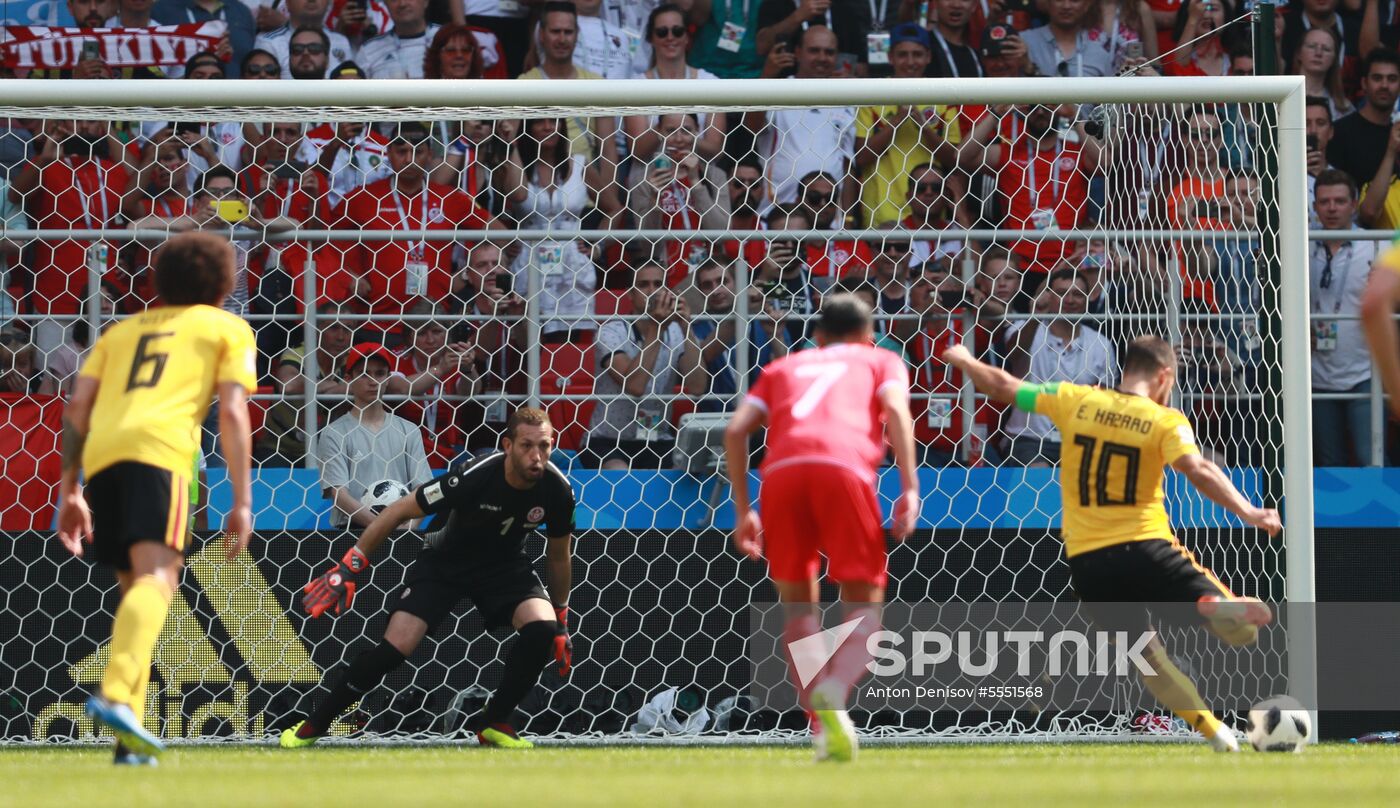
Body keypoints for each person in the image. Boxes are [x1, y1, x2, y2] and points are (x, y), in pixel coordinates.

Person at [941, 335, 1281, 753]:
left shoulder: (1078, 401)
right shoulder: (1164, 419)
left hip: (1089, 562)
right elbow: (1197, 470)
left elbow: (1003, 386)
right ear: (1163, 376)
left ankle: (1214, 731)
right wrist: (1249, 511)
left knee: (1147, 659)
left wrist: (963, 359)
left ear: (1125, 371)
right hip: (1145, 544)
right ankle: (1209, 606)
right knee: (1244, 632)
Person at [55, 232, 256, 764]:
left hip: (102, 457)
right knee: (158, 582)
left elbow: (76, 411)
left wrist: (70, 488)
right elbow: (233, 413)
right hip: (160, 454)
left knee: (135, 597)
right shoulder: (226, 327)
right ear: (226, 283)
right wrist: (241, 500)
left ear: (159, 281)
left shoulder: (121, 332)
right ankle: (116, 695)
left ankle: (130, 739)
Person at [282, 407, 576, 749]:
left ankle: (494, 721)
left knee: (542, 629)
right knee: (395, 649)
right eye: (527, 445)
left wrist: (561, 618)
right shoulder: (472, 477)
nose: (537, 457)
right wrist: (349, 567)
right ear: (507, 445)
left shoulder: (558, 489)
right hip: (444, 563)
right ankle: (316, 723)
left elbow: (558, 555)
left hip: (505, 567)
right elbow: (398, 511)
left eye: (545, 446)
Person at [723, 292, 920, 762]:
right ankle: (835, 688)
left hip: (781, 476)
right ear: (870, 337)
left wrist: (743, 509)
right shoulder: (882, 361)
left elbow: (734, 431)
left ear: (817, 336)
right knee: (864, 608)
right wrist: (909, 487)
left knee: (798, 609)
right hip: (843, 470)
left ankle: (822, 727)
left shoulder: (783, 368)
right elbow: (896, 412)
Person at [582, 263, 705, 469]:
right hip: (609, 440)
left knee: (687, 471)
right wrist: (656, 328)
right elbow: (635, 386)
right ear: (630, 294)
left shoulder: (676, 331)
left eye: (658, 284)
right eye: (643, 285)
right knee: (620, 476)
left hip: (657, 437)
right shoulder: (611, 332)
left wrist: (686, 328)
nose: (652, 291)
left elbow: (697, 387)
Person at [1001, 268, 1117, 465]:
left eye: (1078, 294)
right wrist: (1036, 316)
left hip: (1081, 440)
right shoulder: (1025, 328)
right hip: (1030, 439)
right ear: (1049, 297)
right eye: (1062, 293)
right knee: (1040, 477)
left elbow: (1106, 400)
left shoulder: (1101, 344)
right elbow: (1014, 352)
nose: (1070, 300)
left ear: (1087, 301)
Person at [854, 23, 961, 229]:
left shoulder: (944, 97)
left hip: (931, 212)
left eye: (917, 54)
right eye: (903, 55)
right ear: (890, 57)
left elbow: (954, 161)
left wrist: (924, 128)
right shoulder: (872, 95)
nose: (910, 62)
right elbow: (861, 158)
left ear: (928, 57)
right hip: (882, 214)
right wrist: (897, 121)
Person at [318, 342, 433, 529]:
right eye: (364, 374)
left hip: (403, 530)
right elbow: (339, 495)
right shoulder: (334, 433)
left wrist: (409, 527)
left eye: (380, 374)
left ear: (388, 379)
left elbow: (423, 490)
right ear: (348, 379)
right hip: (352, 532)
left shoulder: (409, 430)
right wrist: (385, 527)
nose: (373, 381)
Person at [1309, 172, 1378, 466]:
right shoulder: (1299, 245)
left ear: (1354, 204)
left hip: (1364, 373)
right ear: (1314, 207)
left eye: (1339, 201)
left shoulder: (1375, 245)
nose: (1332, 208)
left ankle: (1380, 514)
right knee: (1328, 463)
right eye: (1324, 202)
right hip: (1314, 374)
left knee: (1371, 457)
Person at [747, 25, 857, 208]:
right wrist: (766, 76)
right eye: (814, 51)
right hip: (777, 214)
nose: (822, 58)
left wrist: (848, 218)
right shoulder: (777, 90)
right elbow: (752, 126)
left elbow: (848, 165)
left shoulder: (845, 99)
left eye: (829, 52)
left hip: (828, 219)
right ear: (797, 53)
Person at [627, 113, 731, 287]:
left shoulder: (715, 176)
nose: (679, 139)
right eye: (670, 131)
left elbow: (721, 234)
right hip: (666, 278)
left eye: (686, 130)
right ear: (659, 132)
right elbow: (647, 245)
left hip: (709, 279)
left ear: (697, 131)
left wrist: (696, 184)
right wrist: (655, 199)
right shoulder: (644, 179)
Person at [1327, 48, 1400, 190]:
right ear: (1364, 84)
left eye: (1392, 79)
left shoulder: (1397, 133)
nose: (1384, 85)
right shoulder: (1340, 132)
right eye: (1377, 78)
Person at [255, 0, 354, 78]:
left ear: (328, 3)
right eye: (297, 50)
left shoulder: (341, 41)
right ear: (288, 3)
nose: (312, 0)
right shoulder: (268, 43)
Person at [1022, 0, 1115, 78]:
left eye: (1074, 0)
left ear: (1086, 6)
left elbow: (1111, 98)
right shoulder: (1023, 43)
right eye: (1059, 0)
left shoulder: (1099, 55)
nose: (1066, 6)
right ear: (1048, 3)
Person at [355, 0, 440, 78]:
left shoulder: (447, 39)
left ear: (425, 2)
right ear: (385, 5)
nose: (402, 4)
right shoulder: (368, 51)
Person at [1294, 27, 1354, 121]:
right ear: (1299, 53)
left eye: (1326, 49)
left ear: (1334, 59)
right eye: (1312, 46)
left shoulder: (1344, 108)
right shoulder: (1280, 96)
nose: (1318, 53)